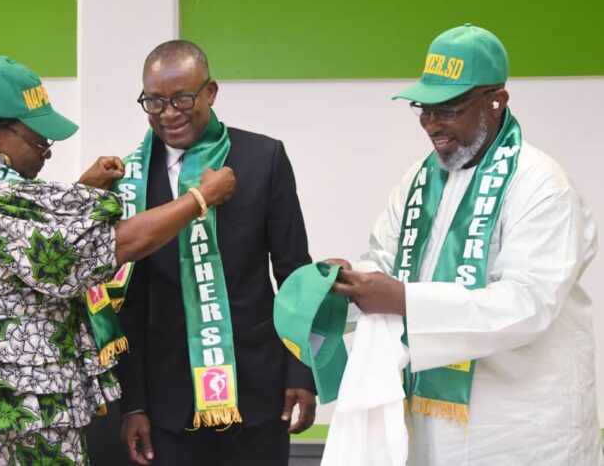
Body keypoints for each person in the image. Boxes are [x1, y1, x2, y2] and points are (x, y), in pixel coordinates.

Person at [0, 55, 235, 465]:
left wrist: (85, 187)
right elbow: (115, 246)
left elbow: (27, 249)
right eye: (39, 141)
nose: (47, 154)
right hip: (22, 407)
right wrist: (200, 198)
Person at [327, 24, 602, 465]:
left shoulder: (541, 184)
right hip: (432, 426)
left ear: (497, 101)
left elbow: (528, 303)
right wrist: (347, 284)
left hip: (522, 427)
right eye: (424, 109)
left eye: (449, 109)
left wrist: (405, 300)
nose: (432, 124)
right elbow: (385, 262)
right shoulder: (420, 180)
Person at [115, 40, 316, 466]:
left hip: (257, 387)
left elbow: (294, 273)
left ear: (211, 91)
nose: (169, 113)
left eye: (182, 98)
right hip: (168, 400)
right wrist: (133, 403)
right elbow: (129, 301)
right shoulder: (131, 178)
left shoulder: (263, 158)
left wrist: (302, 371)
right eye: (154, 102)